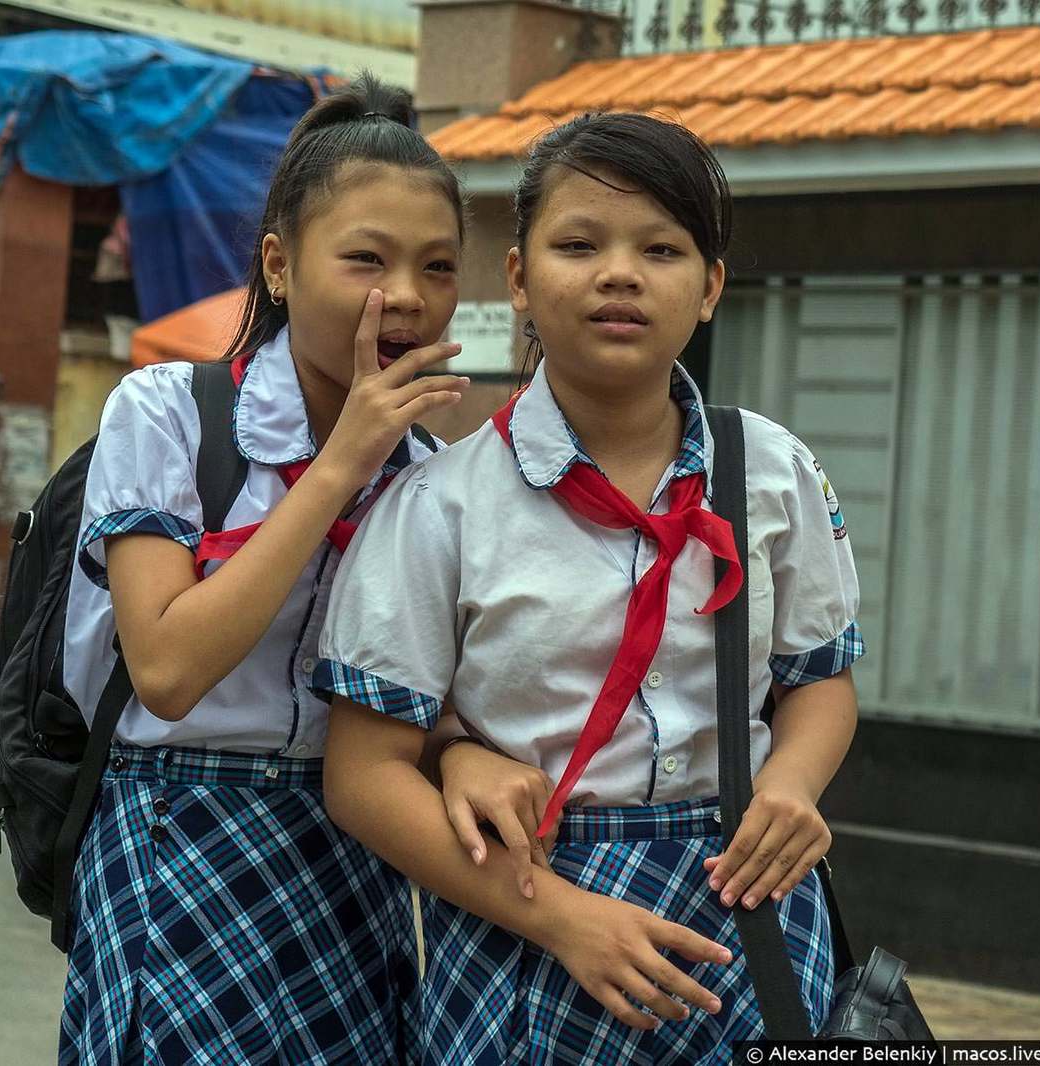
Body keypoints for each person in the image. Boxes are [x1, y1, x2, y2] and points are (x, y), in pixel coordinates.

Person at [316, 111, 864, 1062]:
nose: (620, 274)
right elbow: (362, 778)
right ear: (519, 277)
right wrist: (566, 919)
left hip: (751, 902)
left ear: (710, 288)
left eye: (663, 248)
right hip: (525, 920)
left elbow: (818, 680)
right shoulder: (437, 505)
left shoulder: (770, 471)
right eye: (579, 244)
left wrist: (791, 784)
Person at [56, 73, 469, 1065]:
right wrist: (337, 469)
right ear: (279, 266)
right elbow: (166, 666)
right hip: (177, 829)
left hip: (353, 849)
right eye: (365, 259)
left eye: (438, 267)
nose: (404, 296)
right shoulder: (166, 413)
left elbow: (436, 697)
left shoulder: (435, 477)